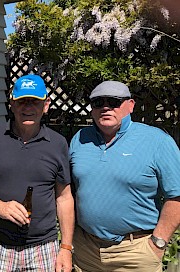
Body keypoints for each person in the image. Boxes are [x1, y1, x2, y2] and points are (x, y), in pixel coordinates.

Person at [0, 74, 75, 272]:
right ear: (12, 104)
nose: (28, 107)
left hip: (43, 247)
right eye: (22, 101)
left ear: (46, 105)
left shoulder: (58, 143)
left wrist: (66, 247)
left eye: (35, 101)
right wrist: (0, 207)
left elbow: (64, 198)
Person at [69, 80, 180, 272]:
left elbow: (176, 195)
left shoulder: (157, 141)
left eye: (113, 101)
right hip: (86, 251)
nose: (105, 107)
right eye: (98, 102)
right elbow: (68, 191)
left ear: (130, 105)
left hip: (135, 252)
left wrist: (158, 243)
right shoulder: (80, 139)